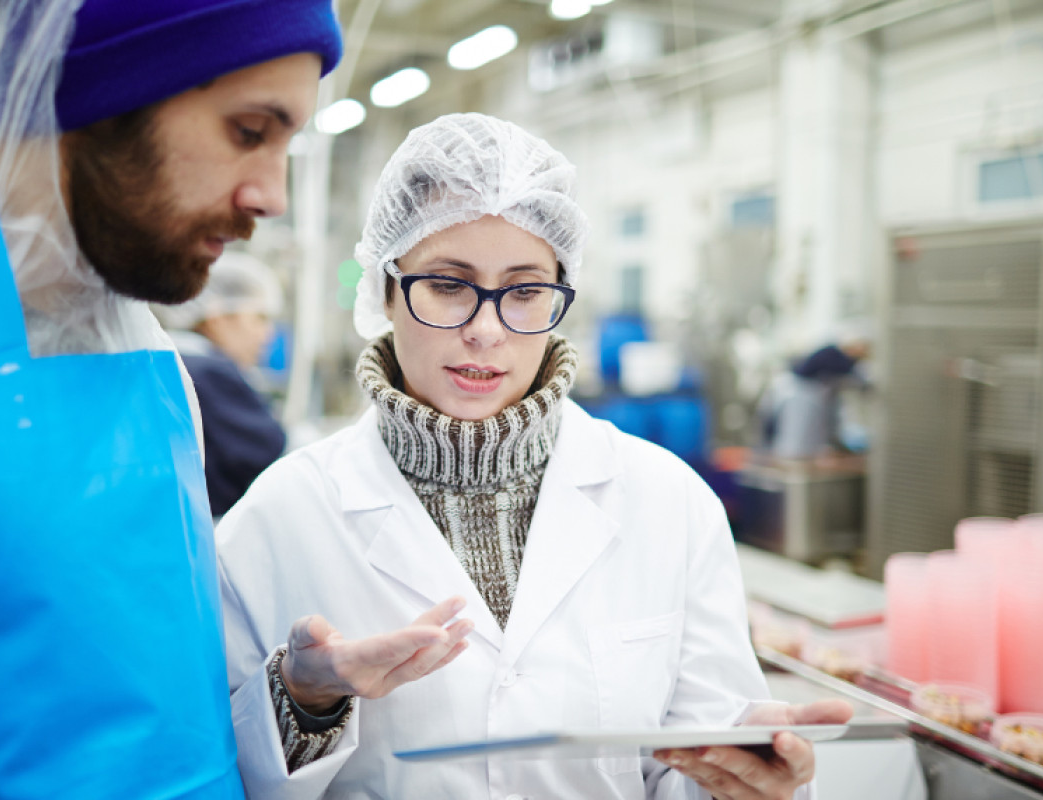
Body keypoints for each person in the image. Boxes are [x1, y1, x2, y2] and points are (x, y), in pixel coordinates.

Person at [0, 0, 349, 796]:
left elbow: (154, 714)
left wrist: (298, 696)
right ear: (107, 92)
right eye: (250, 131)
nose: (273, 195)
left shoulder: (143, 347)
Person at [216, 113, 852, 799]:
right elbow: (211, 770)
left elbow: (693, 759)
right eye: (449, 285)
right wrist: (304, 700)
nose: (486, 330)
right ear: (385, 289)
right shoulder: (282, 514)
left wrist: (748, 783)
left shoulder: (667, 500)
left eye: (524, 292)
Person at [155, 252, 288, 517]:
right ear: (218, 316)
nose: (268, 334)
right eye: (258, 318)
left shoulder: (167, 361)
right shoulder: (208, 372)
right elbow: (270, 452)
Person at [757, 336, 871, 461]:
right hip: (801, 395)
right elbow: (855, 377)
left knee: (802, 444)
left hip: (803, 396)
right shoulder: (833, 354)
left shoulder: (840, 362)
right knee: (796, 446)